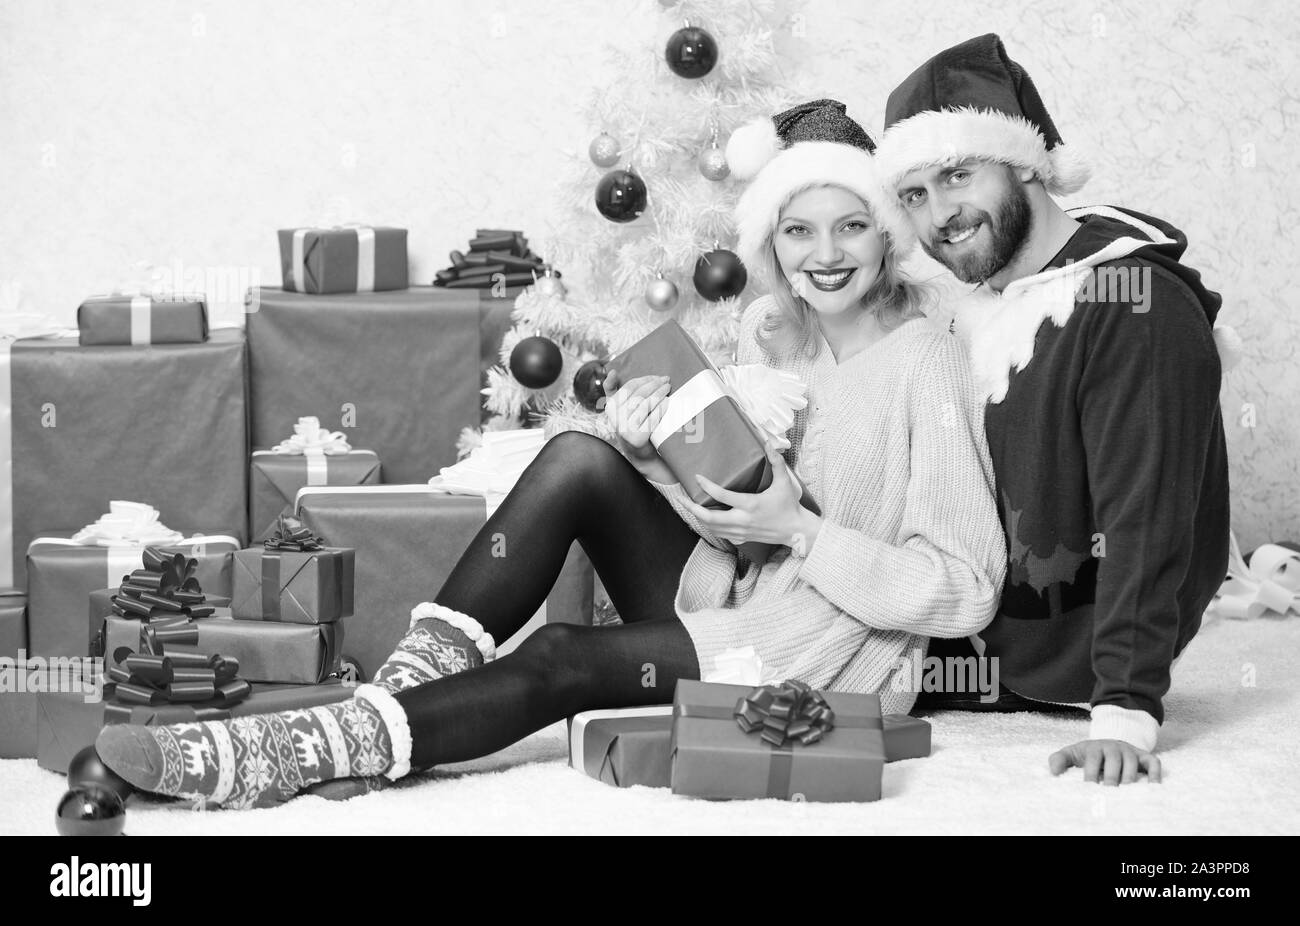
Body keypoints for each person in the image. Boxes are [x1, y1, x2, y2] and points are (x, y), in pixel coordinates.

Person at [94, 100, 1006, 809]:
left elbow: (966, 587)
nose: (825, 253)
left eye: (850, 225)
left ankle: (297, 749)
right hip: (745, 603)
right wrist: (660, 459)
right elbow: (738, 539)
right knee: (581, 455)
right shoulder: (785, 351)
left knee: (567, 655)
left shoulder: (924, 358)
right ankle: (404, 694)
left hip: (822, 660)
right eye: (798, 230)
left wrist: (802, 532)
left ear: (887, 232)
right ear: (772, 244)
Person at [873, 34, 1236, 785]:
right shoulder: (975, 311)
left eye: (957, 174)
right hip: (938, 614)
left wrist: (1126, 709)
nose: (939, 214)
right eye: (913, 195)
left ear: (1027, 165)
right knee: (615, 486)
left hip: (1020, 656)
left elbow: (1147, 512)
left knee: (691, 641)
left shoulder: (1130, 303)